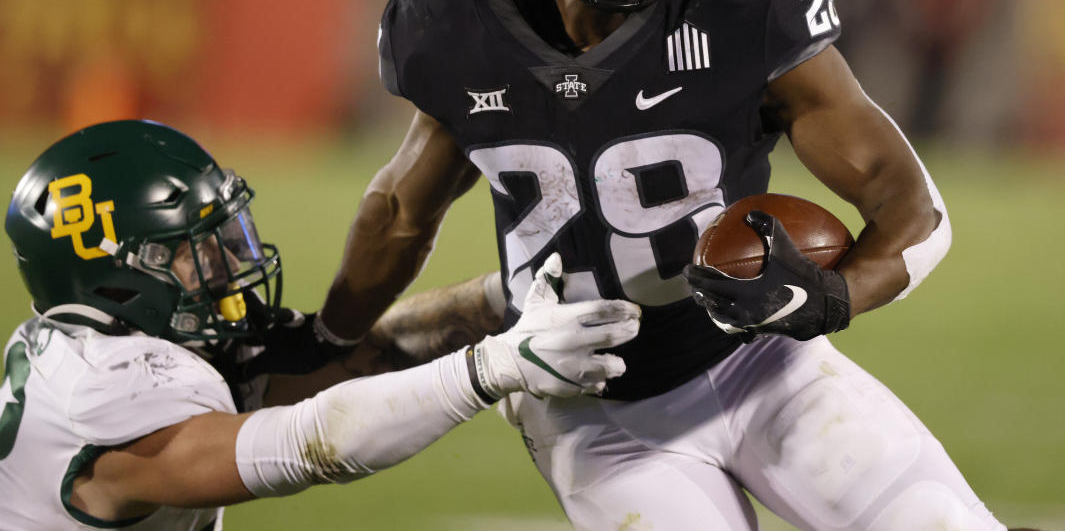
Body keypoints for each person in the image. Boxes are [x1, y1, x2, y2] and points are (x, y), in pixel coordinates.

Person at [294, 0, 1039, 531]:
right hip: (597, 413)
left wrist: (830, 295)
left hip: (764, 364)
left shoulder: (743, 1)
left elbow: (912, 210)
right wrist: (330, 334)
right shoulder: (456, 20)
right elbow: (399, 216)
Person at [0, 119, 640, 530]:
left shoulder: (112, 347)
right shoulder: (101, 389)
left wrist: (507, 295)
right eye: (200, 249)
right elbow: (298, 447)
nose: (233, 263)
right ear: (119, 274)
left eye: (229, 233)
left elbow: (360, 357)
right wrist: (489, 370)